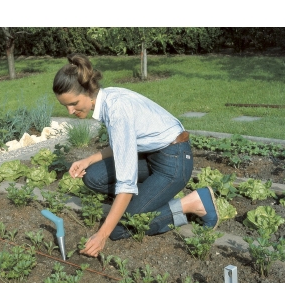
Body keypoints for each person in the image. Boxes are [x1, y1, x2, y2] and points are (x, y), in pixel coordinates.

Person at [53, 53, 219, 258]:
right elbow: (124, 145)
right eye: (65, 106)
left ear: (87, 92)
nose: (70, 110)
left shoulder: (117, 110)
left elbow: (125, 183)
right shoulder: (108, 98)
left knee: (119, 228)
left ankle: (192, 203)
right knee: (92, 175)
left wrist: (101, 235)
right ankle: (148, 198)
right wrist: (88, 159)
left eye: (74, 103)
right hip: (154, 156)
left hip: (174, 163)